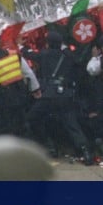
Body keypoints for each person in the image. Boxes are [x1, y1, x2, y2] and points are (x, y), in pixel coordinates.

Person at [25, 30, 92, 164]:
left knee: (32, 118)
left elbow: (28, 54)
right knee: (71, 124)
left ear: (47, 43)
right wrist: (66, 48)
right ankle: (86, 151)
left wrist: (21, 45)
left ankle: (49, 146)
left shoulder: (43, 54)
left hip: (48, 96)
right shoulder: (68, 56)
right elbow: (78, 61)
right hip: (65, 96)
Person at [0, 29, 39, 137]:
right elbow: (28, 73)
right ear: (0, 41)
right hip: (21, 97)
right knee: (22, 125)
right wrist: (35, 89)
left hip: (4, 101)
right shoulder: (15, 54)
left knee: (2, 130)